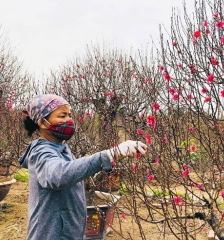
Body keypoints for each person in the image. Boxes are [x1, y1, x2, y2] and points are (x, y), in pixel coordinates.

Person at [18, 94, 147, 240]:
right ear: (42, 123)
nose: (69, 120)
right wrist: (108, 155)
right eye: (62, 116)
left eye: (69, 115)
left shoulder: (60, 146)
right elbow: (59, 175)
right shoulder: (41, 152)